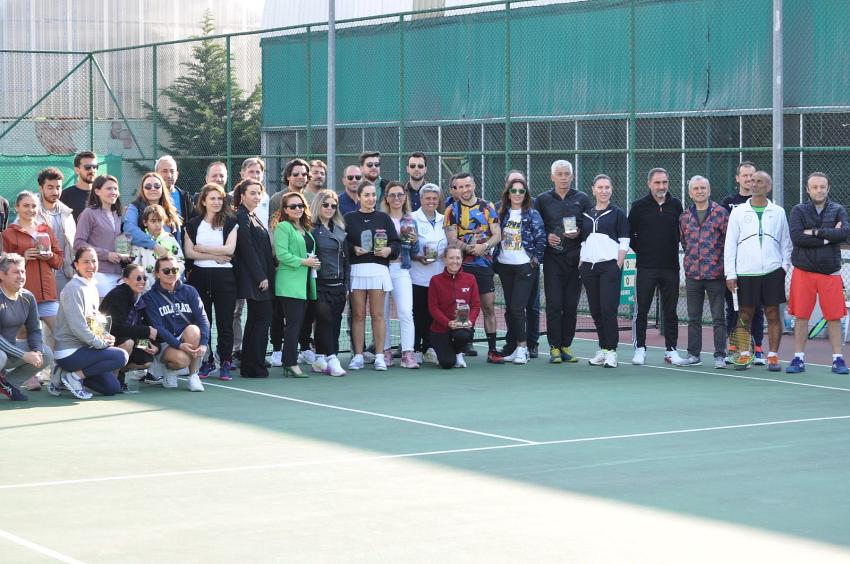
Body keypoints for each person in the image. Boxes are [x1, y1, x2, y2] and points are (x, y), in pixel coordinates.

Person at [724, 171, 792, 371]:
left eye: (759, 181)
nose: (754, 184)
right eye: (752, 181)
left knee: (772, 314)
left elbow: (786, 243)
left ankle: (773, 356)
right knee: (745, 315)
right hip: (746, 273)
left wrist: (783, 266)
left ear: (768, 187)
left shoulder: (778, 212)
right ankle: (744, 355)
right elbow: (730, 245)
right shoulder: (738, 212)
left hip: (772, 272)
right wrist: (731, 273)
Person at [786, 172, 850, 374]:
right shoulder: (798, 210)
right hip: (803, 271)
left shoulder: (838, 209)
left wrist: (814, 232)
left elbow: (844, 233)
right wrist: (828, 236)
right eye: (814, 187)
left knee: (833, 317)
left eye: (822, 187)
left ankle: (838, 359)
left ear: (828, 188)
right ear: (807, 189)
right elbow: (797, 238)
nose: (819, 190)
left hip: (830, 272)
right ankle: (798, 358)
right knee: (802, 316)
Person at [2, 191, 63, 390]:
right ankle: (29, 377)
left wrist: (49, 256)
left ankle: (59, 375)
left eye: (34, 206)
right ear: (16, 208)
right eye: (26, 206)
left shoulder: (46, 229)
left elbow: (59, 260)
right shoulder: (9, 233)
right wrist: (22, 255)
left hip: (48, 293)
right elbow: (4, 263)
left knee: (60, 333)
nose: (31, 210)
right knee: (23, 334)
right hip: (23, 295)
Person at [51, 247, 129, 400]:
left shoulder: (91, 286)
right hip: (69, 351)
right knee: (121, 356)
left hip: (85, 350)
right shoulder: (73, 289)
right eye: (86, 262)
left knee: (112, 387)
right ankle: (72, 377)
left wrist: (105, 335)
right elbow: (78, 327)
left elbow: (94, 321)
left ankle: (64, 375)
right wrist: (101, 344)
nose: (91, 265)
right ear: (76, 265)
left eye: (94, 261)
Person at [534, 160, 592, 364]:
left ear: (572, 176)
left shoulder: (582, 199)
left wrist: (579, 232)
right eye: (559, 174)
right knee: (554, 304)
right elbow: (535, 226)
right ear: (552, 177)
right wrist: (548, 236)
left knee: (570, 305)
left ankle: (566, 345)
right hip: (552, 260)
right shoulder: (542, 200)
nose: (563, 177)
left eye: (567, 173)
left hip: (575, 260)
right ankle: (554, 347)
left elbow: (591, 225)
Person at [444, 172, 503, 363]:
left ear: (474, 185)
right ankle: (459, 350)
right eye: (460, 187)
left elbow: (497, 235)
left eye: (467, 186)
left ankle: (492, 350)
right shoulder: (451, 210)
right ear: (455, 189)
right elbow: (452, 240)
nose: (464, 190)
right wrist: (471, 248)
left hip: (484, 266)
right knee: (461, 307)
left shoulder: (488, 207)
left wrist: (484, 247)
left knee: (488, 307)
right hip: (462, 267)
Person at [628, 168, 685, 365]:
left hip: (671, 268)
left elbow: (681, 233)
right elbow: (630, 236)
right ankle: (640, 349)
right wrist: (644, 252)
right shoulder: (638, 207)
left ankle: (671, 350)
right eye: (657, 183)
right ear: (649, 184)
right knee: (641, 310)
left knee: (671, 311)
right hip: (646, 268)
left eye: (665, 182)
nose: (661, 187)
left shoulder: (677, 205)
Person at [184, 183, 238, 381]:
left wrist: (203, 250)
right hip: (199, 277)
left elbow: (229, 250)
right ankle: (206, 361)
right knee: (204, 322)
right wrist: (214, 253)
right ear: (204, 201)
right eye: (212, 198)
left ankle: (225, 361)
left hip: (225, 279)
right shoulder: (193, 224)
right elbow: (189, 252)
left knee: (225, 323)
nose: (216, 202)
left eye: (219, 198)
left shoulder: (231, 223)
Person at [344, 181, 401, 370]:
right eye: (366, 195)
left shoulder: (384, 218)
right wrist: (354, 249)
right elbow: (345, 243)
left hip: (378, 270)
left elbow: (396, 244)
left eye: (373, 195)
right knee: (358, 315)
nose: (370, 199)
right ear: (359, 197)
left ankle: (379, 356)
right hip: (357, 270)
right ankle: (358, 356)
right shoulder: (349, 218)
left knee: (377, 315)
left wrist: (387, 250)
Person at [678, 176, 729, 369]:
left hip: (716, 274)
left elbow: (728, 242)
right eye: (696, 188)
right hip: (693, 275)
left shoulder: (721, 213)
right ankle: (693, 355)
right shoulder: (684, 217)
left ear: (709, 190)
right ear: (690, 193)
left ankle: (719, 355)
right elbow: (684, 242)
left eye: (703, 188)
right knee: (693, 317)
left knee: (718, 317)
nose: (700, 191)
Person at [579, 175, 630, 368]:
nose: (603, 190)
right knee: (596, 310)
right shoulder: (586, 214)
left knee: (608, 309)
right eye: (600, 187)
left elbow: (625, 240)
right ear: (593, 190)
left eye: (607, 187)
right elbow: (584, 241)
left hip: (609, 267)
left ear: (611, 190)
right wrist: (582, 263)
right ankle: (603, 348)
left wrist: (617, 263)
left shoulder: (617, 213)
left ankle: (612, 352)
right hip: (589, 268)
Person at [493, 178, 545, 365]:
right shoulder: (500, 213)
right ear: (508, 194)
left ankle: (523, 348)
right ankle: (515, 347)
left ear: (526, 195)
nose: (517, 194)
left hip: (525, 266)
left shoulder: (532, 214)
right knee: (510, 309)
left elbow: (541, 240)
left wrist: (535, 261)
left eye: (521, 191)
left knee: (517, 308)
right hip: (505, 266)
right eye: (513, 191)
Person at [720, 161, 766, 364]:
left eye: (752, 176)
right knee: (734, 309)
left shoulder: (764, 202)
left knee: (757, 308)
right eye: (745, 175)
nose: (749, 179)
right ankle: (734, 350)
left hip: (758, 268)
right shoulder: (728, 203)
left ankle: (757, 350)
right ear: (737, 178)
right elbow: (725, 235)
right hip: (734, 268)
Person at [143, 256, 210, 391]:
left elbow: (203, 318)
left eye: (175, 270)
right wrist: (179, 345)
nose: (171, 274)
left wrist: (203, 343)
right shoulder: (150, 297)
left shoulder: (190, 291)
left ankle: (193, 376)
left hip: (187, 338)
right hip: (165, 343)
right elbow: (158, 327)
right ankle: (169, 371)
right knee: (182, 360)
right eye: (166, 271)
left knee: (193, 329)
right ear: (156, 274)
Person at [232, 178, 275, 378]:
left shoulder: (252, 216)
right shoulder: (241, 216)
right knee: (261, 319)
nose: (257, 197)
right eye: (252, 193)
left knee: (257, 320)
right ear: (242, 196)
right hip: (254, 279)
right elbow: (247, 249)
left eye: (259, 193)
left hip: (260, 276)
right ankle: (254, 365)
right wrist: (261, 277)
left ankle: (251, 365)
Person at [273, 191, 318, 378]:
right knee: (293, 325)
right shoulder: (283, 227)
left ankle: (288, 361)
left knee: (299, 324)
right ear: (285, 209)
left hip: (305, 283)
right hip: (289, 283)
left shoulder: (305, 229)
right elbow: (281, 254)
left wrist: (312, 262)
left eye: (300, 205)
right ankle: (290, 362)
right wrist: (304, 262)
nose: (297, 209)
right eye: (293, 206)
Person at [0, 254, 53, 402]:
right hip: (2, 353)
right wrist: (23, 355)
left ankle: (8, 384)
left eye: (23, 271)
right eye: (16, 272)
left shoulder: (28, 297)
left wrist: (36, 351)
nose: (21, 276)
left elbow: (35, 328)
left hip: (9, 350)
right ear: (2, 275)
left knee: (46, 354)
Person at [379, 181, 420, 369]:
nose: (396, 198)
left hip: (402, 269)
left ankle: (407, 353)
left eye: (400, 195)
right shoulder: (380, 218)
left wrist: (415, 241)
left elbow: (414, 250)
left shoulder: (410, 220)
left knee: (405, 311)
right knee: (382, 313)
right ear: (386, 198)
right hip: (381, 269)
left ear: (405, 198)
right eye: (392, 195)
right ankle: (385, 352)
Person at [308, 189, 349, 377]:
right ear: (318, 205)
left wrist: (347, 285)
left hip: (338, 285)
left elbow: (346, 260)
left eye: (334, 205)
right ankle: (332, 358)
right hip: (319, 284)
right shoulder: (311, 230)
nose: (330, 208)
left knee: (334, 321)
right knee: (324, 320)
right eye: (326, 204)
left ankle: (318, 358)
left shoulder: (340, 230)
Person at [99, 264, 160, 385]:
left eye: (144, 278)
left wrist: (155, 345)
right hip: (107, 341)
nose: (142, 281)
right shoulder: (118, 295)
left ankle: (120, 372)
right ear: (126, 280)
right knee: (128, 343)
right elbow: (115, 328)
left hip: (128, 338)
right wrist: (146, 331)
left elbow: (149, 325)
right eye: (138, 278)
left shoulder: (140, 297)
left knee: (146, 359)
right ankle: (112, 380)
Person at [74, 174, 131, 297]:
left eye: (116, 189)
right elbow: (78, 244)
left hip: (118, 274)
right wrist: (106, 255)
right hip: (99, 274)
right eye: (109, 188)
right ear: (97, 191)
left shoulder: (118, 215)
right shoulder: (88, 213)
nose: (114, 192)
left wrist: (125, 255)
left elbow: (119, 242)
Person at [428, 243, 481, 369]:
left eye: (458, 258)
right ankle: (442, 351)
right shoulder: (435, 280)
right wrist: (448, 323)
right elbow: (433, 308)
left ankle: (458, 353)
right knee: (447, 363)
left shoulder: (470, 279)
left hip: (461, 327)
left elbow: (476, 305)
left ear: (462, 260)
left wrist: (470, 321)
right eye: (451, 258)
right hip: (440, 329)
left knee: (463, 335)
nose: (455, 261)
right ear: (445, 259)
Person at [410, 183, 446, 364]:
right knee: (418, 313)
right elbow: (406, 248)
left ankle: (429, 347)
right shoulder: (411, 218)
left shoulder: (444, 219)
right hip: (418, 276)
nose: (431, 201)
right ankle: (415, 348)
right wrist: (418, 257)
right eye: (427, 198)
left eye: (434, 198)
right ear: (421, 200)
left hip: (438, 276)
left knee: (434, 314)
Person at [36, 167, 76, 292]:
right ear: (41, 188)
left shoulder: (67, 214)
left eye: (58, 187)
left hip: (66, 275)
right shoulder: (32, 212)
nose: (55, 191)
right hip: (40, 276)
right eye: (50, 187)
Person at [122, 172, 182, 254]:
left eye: (157, 186)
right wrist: (154, 245)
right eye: (148, 186)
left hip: (168, 260)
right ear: (142, 189)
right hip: (144, 260)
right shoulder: (134, 208)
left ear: (162, 188)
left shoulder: (171, 209)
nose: (153, 189)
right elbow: (129, 230)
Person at [131, 205, 185, 290]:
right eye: (153, 221)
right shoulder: (140, 240)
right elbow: (134, 264)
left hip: (168, 287)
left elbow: (180, 260)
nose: (157, 225)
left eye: (160, 221)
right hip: (146, 289)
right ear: (145, 222)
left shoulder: (170, 238)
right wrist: (144, 282)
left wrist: (171, 275)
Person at [155, 155, 195, 226]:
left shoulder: (186, 199)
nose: (169, 175)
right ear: (156, 174)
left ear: (177, 174)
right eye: (165, 171)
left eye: (172, 171)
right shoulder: (151, 197)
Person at [60, 151, 98, 221]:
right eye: (88, 167)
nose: (92, 170)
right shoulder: (65, 195)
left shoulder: (102, 193)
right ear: (77, 170)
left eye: (95, 167)